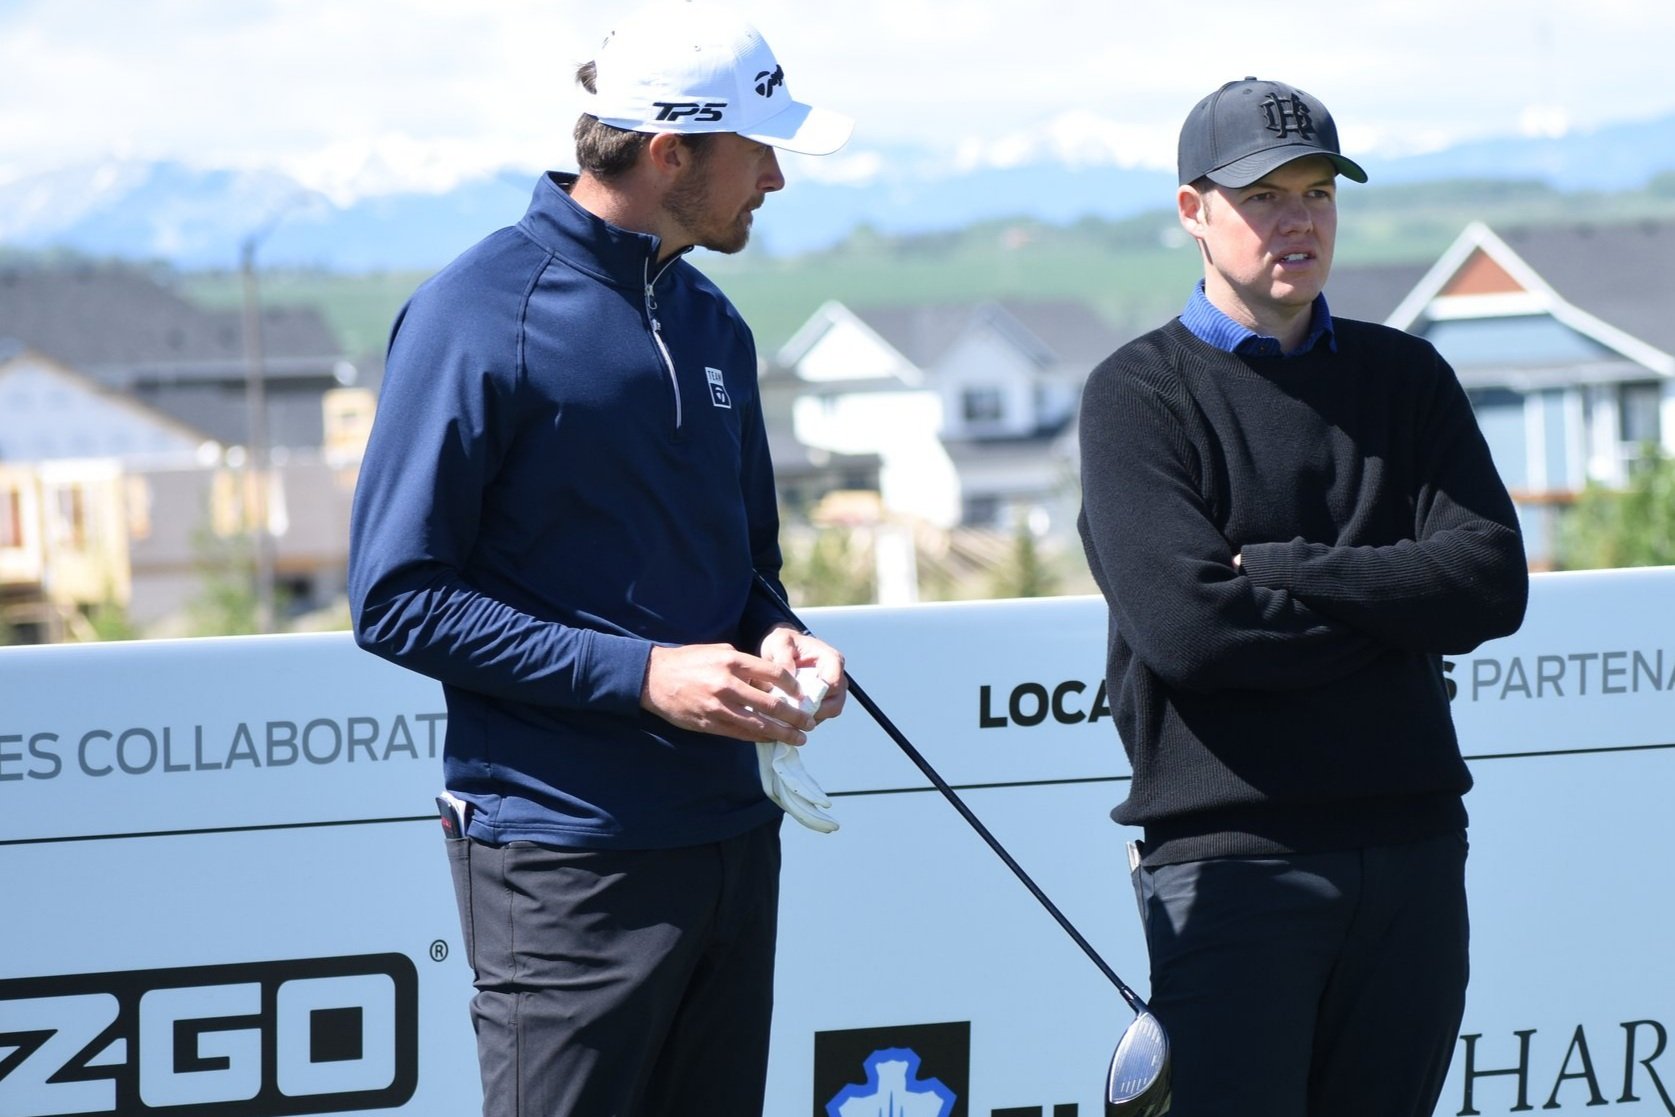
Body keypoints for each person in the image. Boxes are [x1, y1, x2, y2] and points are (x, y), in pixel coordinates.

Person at [347, 6, 852, 1115]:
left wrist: (778, 635)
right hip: (563, 859)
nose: (773, 178)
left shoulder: (713, 320)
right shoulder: (477, 311)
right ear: (672, 151)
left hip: (729, 835)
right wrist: (645, 674)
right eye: (757, 149)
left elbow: (746, 567)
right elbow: (397, 598)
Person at [1077, 77, 1529, 1117]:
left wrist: (1285, 569)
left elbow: (1486, 584)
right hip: (1234, 872)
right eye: (1264, 196)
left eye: (1317, 192)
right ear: (1192, 210)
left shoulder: (1406, 376)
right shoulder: (1137, 395)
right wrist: (1391, 601)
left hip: (1413, 855)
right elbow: (1195, 633)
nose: (1298, 221)